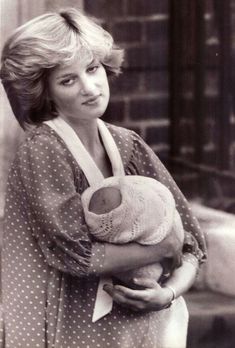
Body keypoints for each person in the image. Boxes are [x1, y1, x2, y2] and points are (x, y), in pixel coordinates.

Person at [0, 7, 207, 348]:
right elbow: (75, 256)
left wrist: (168, 293)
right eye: (68, 80)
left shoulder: (128, 144)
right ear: (44, 91)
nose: (90, 87)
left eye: (92, 69)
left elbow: (191, 245)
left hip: (138, 326)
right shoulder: (43, 148)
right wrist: (161, 245)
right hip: (67, 328)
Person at [81, 175, 185, 287]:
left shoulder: (139, 160)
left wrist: (170, 292)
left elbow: (194, 247)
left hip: (160, 286)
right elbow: (77, 257)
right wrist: (161, 250)